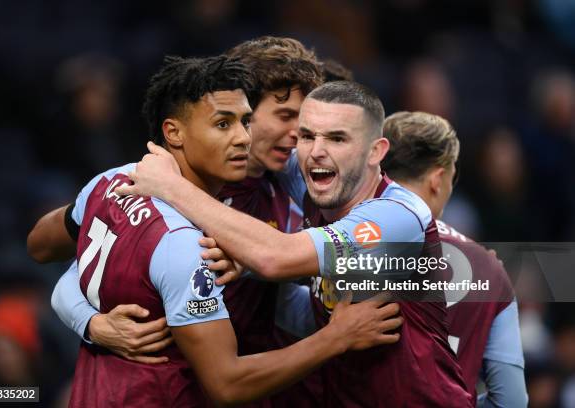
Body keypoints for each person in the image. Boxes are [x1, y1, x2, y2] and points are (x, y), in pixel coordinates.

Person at [55, 55, 403, 407]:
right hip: (189, 387)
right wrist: (90, 321)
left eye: (310, 127)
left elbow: (281, 298)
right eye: (285, 116)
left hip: (272, 383)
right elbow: (60, 251)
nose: (301, 136)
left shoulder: (296, 185)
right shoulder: (157, 192)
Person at [117, 80, 473, 407]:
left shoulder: (396, 217)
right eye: (306, 136)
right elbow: (312, 306)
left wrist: (171, 186)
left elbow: (276, 257)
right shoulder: (319, 190)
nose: (316, 151)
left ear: (375, 152)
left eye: (337, 138)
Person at [381, 111, 527, 407]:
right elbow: (510, 401)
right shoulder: (489, 268)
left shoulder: (342, 243)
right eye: (452, 176)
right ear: (437, 178)